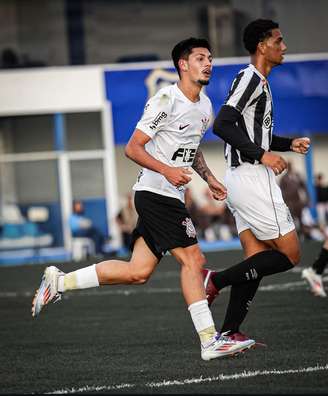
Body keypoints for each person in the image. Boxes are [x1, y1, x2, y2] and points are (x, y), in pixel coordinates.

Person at [31, 37, 254, 360]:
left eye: (210, 58)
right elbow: (132, 147)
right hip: (155, 193)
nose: (208, 63)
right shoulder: (165, 99)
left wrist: (209, 178)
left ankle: (60, 282)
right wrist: (166, 171)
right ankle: (209, 340)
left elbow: (189, 152)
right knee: (194, 261)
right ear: (183, 64)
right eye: (201, 58)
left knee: (138, 271)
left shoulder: (205, 107)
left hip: (165, 193)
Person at [202, 19, 311, 343]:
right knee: (291, 254)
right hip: (251, 178)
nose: (284, 46)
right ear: (262, 45)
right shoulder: (251, 77)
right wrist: (262, 155)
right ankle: (215, 280)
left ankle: (230, 331)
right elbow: (222, 124)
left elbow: (252, 133)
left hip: (240, 179)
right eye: (278, 40)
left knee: (257, 259)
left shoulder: (257, 81)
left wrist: (287, 143)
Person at [279, 161, 309, 237]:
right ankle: (295, 236)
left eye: (291, 165)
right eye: (289, 166)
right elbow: (281, 191)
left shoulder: (297, 176)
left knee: (301, 219)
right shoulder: (284, 178)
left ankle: (304, 236)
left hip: (298, 201)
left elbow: (304, 187)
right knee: (291, 221)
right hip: (289, 202)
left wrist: (307, 199)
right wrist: (284, 202)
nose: (291, 167)